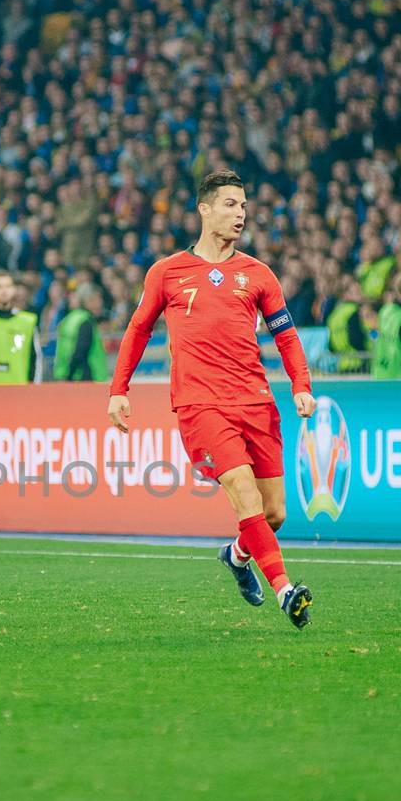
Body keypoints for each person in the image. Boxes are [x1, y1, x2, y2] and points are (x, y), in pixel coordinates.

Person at [108, 169, 317, 629]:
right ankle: (286, 592)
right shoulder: (167, 272)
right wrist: (118, 390)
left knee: (272, 514)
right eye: (229, 205)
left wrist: (301, 385)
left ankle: (237, 557)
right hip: (201, 405)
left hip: (256, 402)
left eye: (243, 206)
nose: (240, 214)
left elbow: (286, 336)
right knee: (243, 495)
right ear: (204, 210)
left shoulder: (258, 275)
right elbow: (138, 330)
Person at [52, 287, 108, 381]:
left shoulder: (69, 319)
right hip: (83, 376)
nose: (100, 303)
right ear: (86, 301)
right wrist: (69, 376)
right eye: (96, 299)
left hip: (63, 372)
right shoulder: (85, 321)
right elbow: (80, 351)